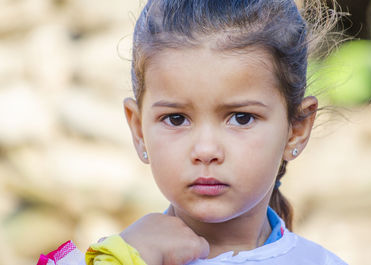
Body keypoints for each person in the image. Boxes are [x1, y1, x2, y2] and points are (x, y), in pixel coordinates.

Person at [37, 0, 348, 264]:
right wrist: (124, 255)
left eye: (241, 118)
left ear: (296, 128)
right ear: (138, 129)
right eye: (176, 119)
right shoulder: (128, 255)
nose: (205, 150)